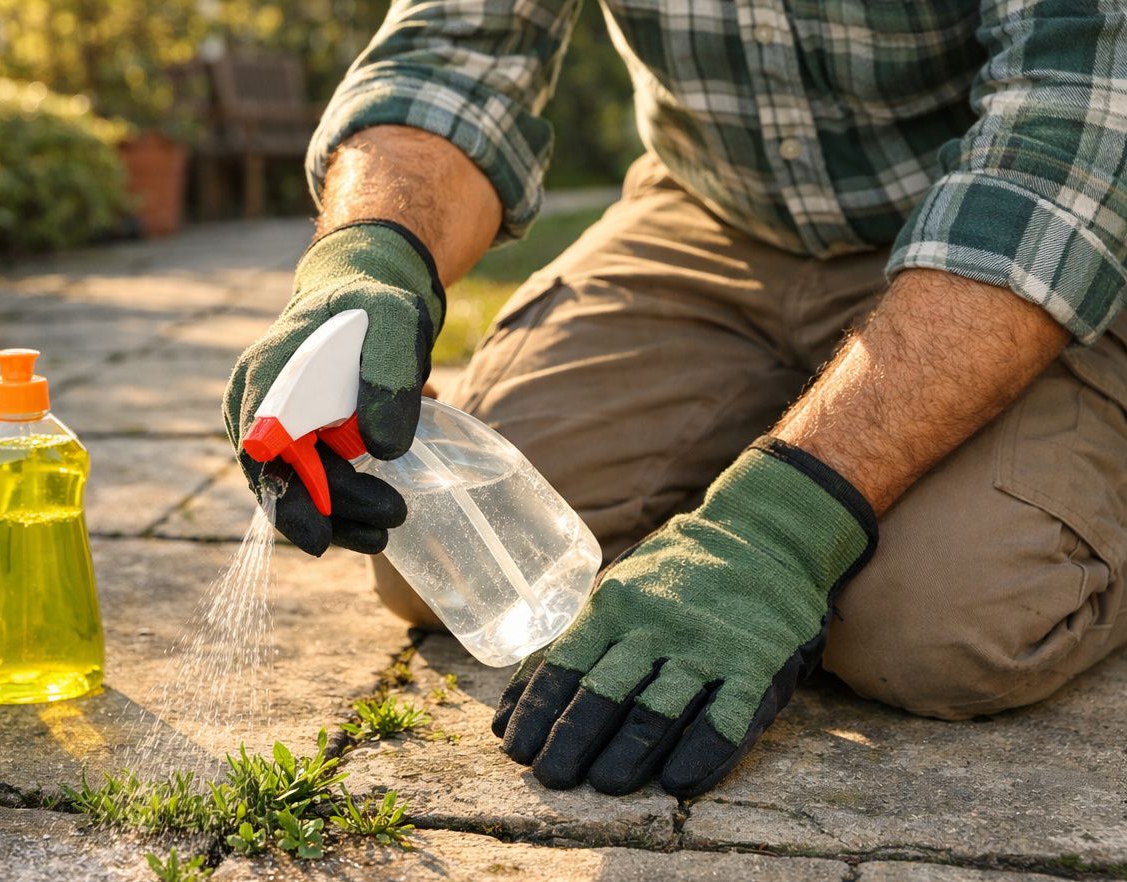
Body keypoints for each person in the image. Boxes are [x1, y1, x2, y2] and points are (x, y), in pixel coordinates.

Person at [222, 1, 1127, 798]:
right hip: (714, 207)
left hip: (1015, 225)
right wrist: (366, 262)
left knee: (935, 625)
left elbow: (1065, 134)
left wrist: (772, 532)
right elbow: (451, 56)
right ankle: (808, 429)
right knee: (450, 555)